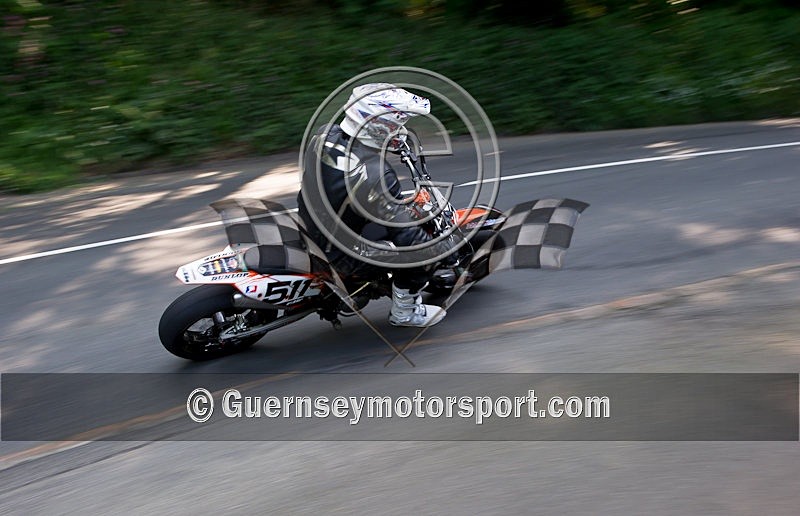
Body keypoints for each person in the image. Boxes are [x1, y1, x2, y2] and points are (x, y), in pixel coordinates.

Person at [297, 83, 455, 327]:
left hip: (311, 220)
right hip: (338, 251)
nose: (400, 130)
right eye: (397, 124)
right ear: (378, 125)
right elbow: (407, 237)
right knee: (419, 255)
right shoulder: (377, 174)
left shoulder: (324, 134)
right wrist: (437, 248)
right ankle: (406, 312)